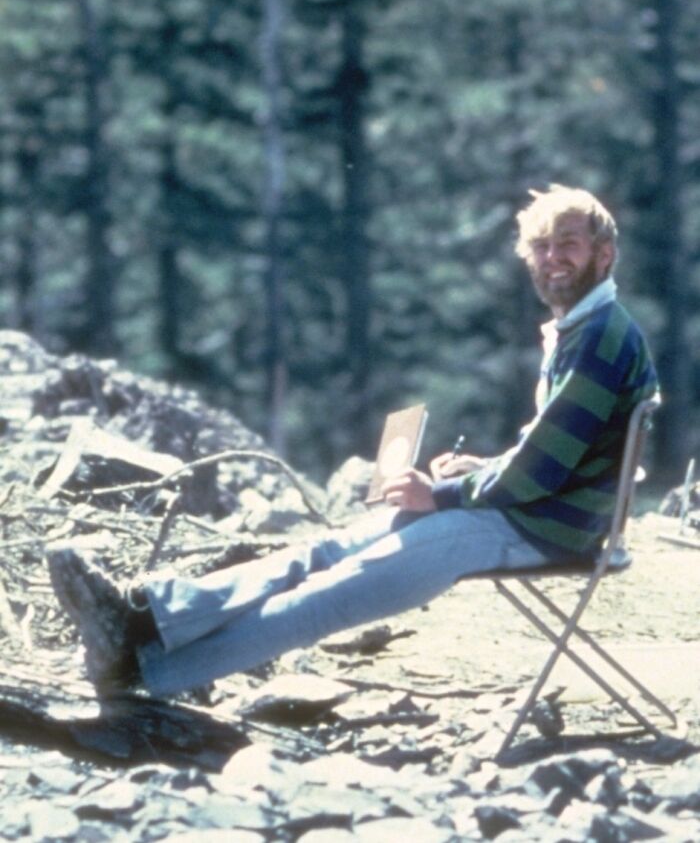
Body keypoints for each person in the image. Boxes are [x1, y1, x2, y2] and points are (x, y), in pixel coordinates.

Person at [49, 185, 659, 697]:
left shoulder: (602, 337)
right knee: (322, 554)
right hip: (535, 511)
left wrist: (443, 494)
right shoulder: (585, 327)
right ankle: (144, 618)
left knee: (335, 592)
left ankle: (141, 669)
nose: (552, 258)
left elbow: (542, 468)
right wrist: (475, 468)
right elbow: (552, 448)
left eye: (569, 245)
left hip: (546, 526)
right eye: (542, 246)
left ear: (604, 255)